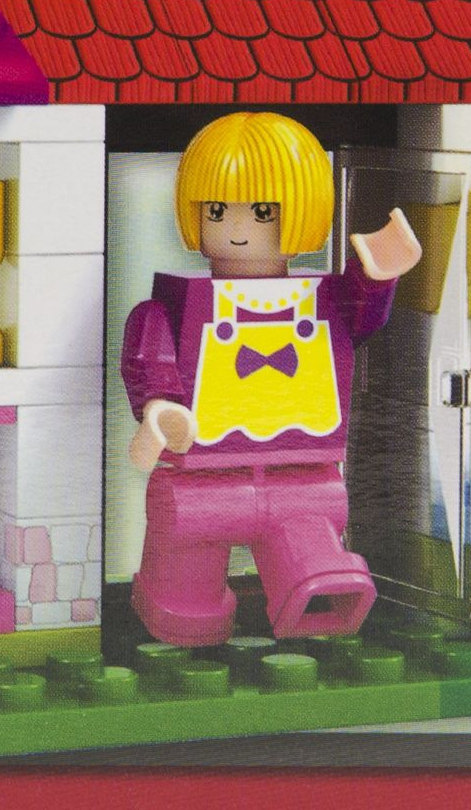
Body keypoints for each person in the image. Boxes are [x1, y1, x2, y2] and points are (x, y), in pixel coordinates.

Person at [118, 111, 421, 645]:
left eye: (262, 212)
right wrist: (159, 407)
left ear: (305, 211)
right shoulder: (175, 304)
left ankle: (314, 595)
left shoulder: (323, 298)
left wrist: (376, 275)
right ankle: (185, 618)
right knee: (185, 589)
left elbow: (360, 320)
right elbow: (151, 357)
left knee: (314, 565)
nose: (237, 229)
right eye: (217, 210)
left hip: (301, 480)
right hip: (201, 484)